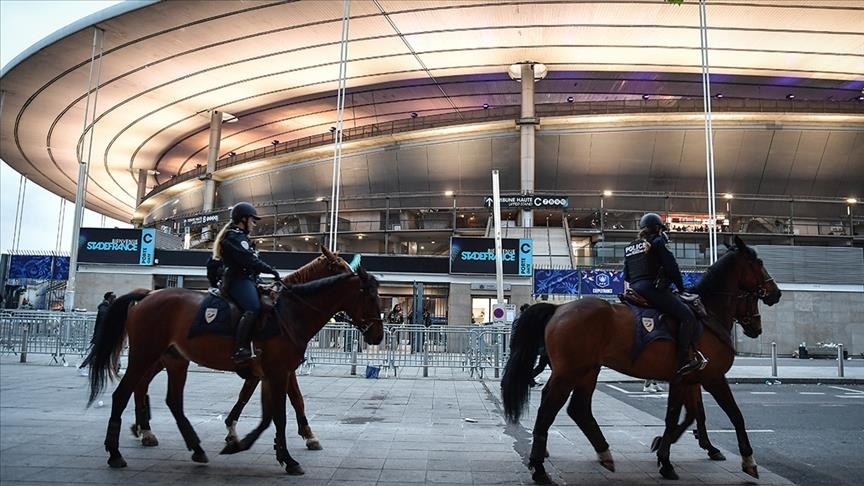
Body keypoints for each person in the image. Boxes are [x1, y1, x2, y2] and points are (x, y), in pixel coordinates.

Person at [623, 212, 706, 380]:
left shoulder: (631, 247)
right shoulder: (659, 241)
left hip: (635, 289)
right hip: (651, 289)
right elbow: (672, 267)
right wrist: (681, 288)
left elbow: (626, 275)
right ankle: (683, 360)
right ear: (657, 228)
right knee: (687, 316)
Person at [214, 202, 281, 363]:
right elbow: (249, 261)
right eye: (252, 219)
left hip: (247, 279)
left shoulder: (242, 238)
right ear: (242, 219)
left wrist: (261, 281)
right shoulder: (234, 237)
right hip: (237, 281)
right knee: (253, 307)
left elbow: (251, 267)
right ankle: (239, 349)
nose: (254, 223)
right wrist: (271, 270)